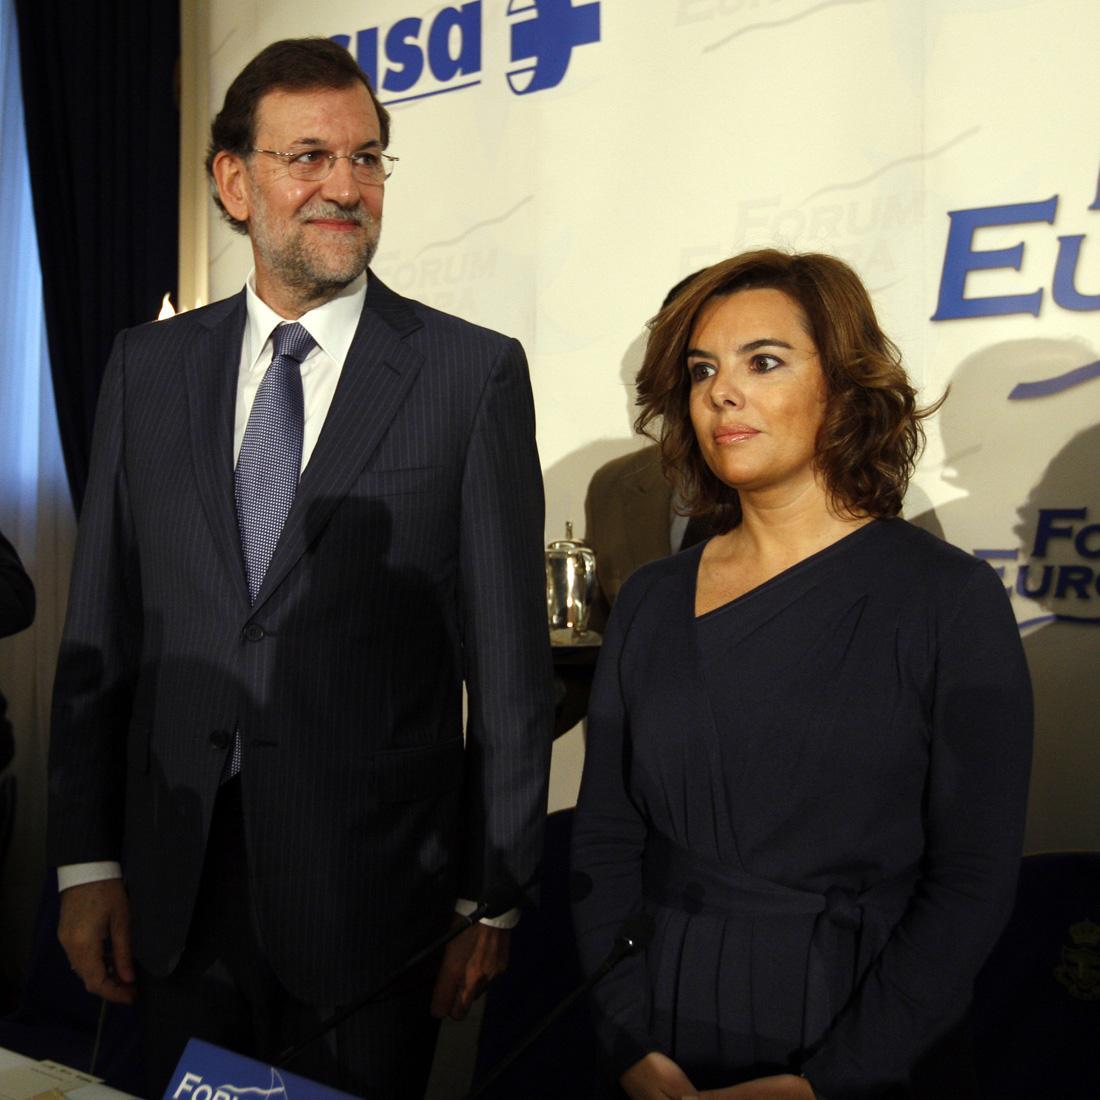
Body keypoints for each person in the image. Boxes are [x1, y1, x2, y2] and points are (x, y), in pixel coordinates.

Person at [47, 37, 552, 1098]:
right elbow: (102, 633)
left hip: (374, 904)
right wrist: (87, 860)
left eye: (366, 158)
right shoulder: (146, 368)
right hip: (175, 887)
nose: (346, 186)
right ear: (235, 182)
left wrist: (492, 895)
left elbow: (508, 669)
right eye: (309, 157)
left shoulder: (469, 375)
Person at [571, 250, 1032, 1099]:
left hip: (860, 1025)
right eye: (703, 370)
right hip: (660, 1022)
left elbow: (972, 882)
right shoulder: (653, 598)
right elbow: (605, 837)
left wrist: (829, 1082)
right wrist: (626, 1037)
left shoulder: (946, 598)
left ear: (845, 388)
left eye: (764, 362)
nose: (722, 393)